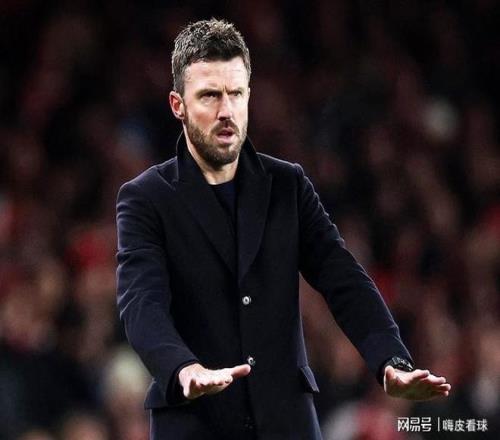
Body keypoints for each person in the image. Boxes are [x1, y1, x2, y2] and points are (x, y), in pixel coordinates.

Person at [116, 18, 451, 440]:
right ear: (177, 105)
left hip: (287, 423)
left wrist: (391, 360)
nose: (226, 111)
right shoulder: (146, 198)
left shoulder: (287, 185)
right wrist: (182, 368)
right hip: (194, 424)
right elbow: (141, 303)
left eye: (236, 94)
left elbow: (342, 277)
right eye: (210, 95)